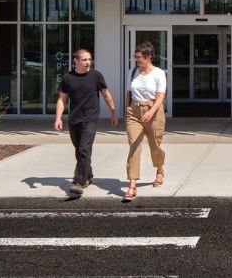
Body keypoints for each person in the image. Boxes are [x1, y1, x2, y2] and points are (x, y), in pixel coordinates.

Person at [54, 48, 118, 195]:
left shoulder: (96, 76)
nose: (88, 62)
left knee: (84, 148)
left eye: (89, 59)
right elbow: (62, 100)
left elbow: (106, 95)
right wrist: (58, 118)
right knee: (79, 150)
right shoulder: (67, 78)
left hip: (91, 118)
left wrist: (113, 112)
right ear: (76, 61)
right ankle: (88, 175)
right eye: (84, 60)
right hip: (74, 119)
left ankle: (78, 182)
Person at [123, 40, 167, 201]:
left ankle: (160, 170)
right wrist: (126, 112)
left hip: (153, 110)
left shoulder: (158, 73)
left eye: (139, 57)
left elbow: (160, 96)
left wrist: (151, 112)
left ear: (148, 57)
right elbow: (128, 92)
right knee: (134, 146)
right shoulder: (133, 71)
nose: (136, 59)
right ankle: (132, 186)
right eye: (135, 56)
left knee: (155, 145)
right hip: (134, 111)